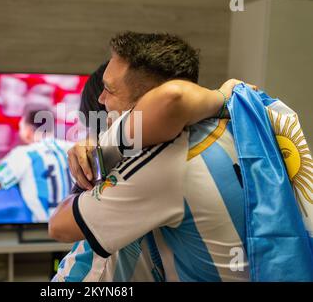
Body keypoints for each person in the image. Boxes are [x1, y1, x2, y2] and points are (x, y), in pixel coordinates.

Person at [50, 31, 255, 281]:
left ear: (150, 103)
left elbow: (58, 227)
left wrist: (104, 153)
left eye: (109, 90)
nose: (101, 100)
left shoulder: (159, 166)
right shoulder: (232, 123)